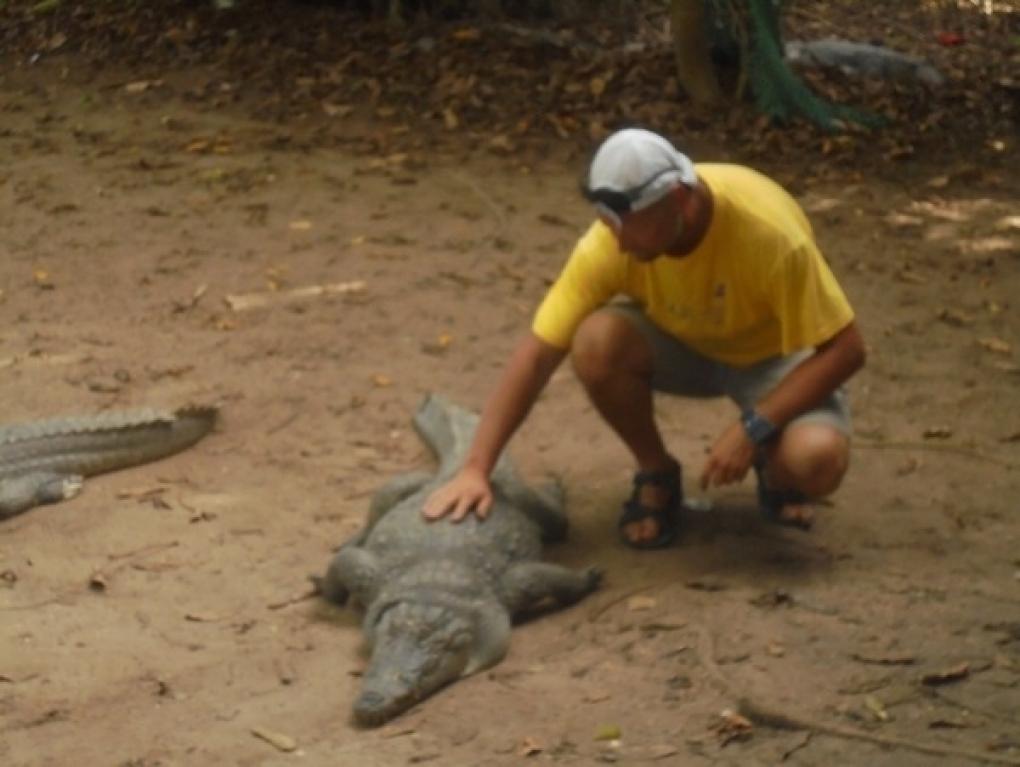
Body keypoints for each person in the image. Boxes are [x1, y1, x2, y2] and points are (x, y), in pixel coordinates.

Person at [423, 127, 865, 548]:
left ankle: (775, 467)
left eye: (626, 224)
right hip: (684, 343)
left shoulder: (769, 236)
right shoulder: (611, 244)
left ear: (677, 199)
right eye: (607, 222)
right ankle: (657, 471)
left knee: (815, 460)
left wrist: (754, 426)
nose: (616, 241)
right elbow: (538, 355)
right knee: (595, 341)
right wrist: (476, 469)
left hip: (774, 358)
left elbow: (847, 350)